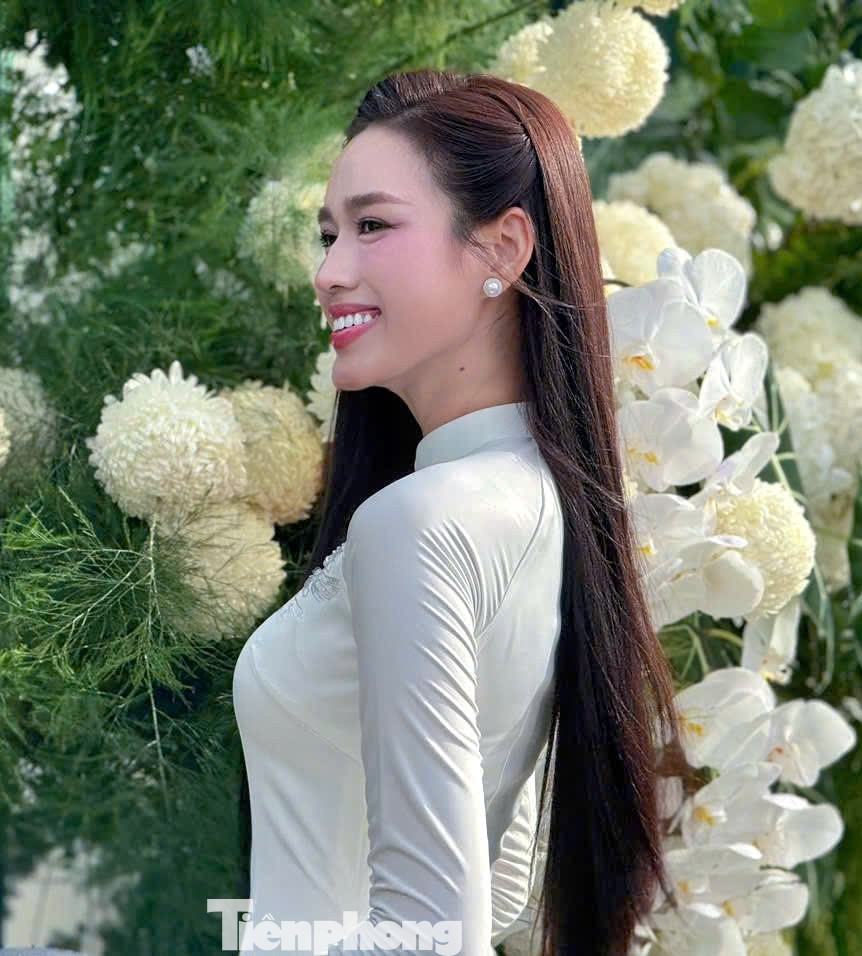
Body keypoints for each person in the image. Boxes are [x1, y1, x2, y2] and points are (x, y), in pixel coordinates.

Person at [232, 69, 689, 956]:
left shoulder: (422, 523)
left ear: (503, 247)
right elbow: (501, 885)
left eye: (372, 226)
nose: (329, 273)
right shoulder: (541, 503)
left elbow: (432, 936)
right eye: (329, 236)